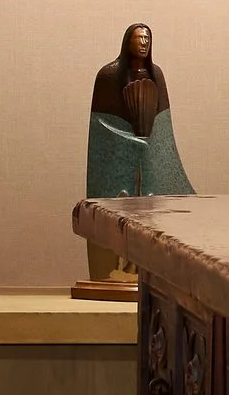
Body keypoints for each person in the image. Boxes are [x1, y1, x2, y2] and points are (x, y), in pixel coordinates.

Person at [81, 20, 193, 285]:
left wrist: (150, 145)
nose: (143, 43)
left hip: (149, 160)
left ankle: (148, 273)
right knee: (120, 210)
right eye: (138, 38)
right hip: (120, 163)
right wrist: (130, 142)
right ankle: (114, 271)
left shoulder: (156, 75)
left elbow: (164, 127)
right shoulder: (108, 76)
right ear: (127, 41)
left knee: (152, 209)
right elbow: (100, 128)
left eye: (147, 39)